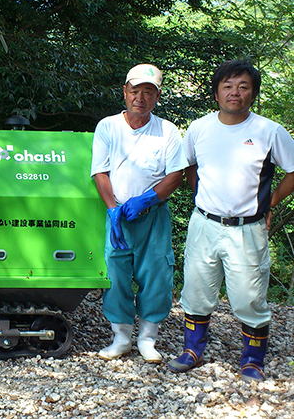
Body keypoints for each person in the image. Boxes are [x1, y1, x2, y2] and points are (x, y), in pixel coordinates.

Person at [168, 60, 294, 382]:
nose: (234, 92)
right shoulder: (199, 128)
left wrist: (270, 203)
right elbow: (189, 165)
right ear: (216, 93)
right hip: (204, 224)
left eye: (243, 87)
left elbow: (293, 171)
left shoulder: (269, 131)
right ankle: (192, 349)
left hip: (247, 229)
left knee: (248, 298)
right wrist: (201, 196)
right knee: (196, 291)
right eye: (227, 86)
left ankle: (252, 360)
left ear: (253, 93)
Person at [91, 64, 187, 363]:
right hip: (117, 213)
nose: (140, 98)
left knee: (156, 273)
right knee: (116, 273)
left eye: (148, 92)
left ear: (157, 96)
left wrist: (146, 200)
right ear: (125, 92)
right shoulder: (108, 126)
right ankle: (120, 337)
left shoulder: (167, 131)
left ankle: (147, 338)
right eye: (135, 91)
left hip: (153, 215)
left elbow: (176, 174)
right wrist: (113, 210)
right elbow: (100, 171)